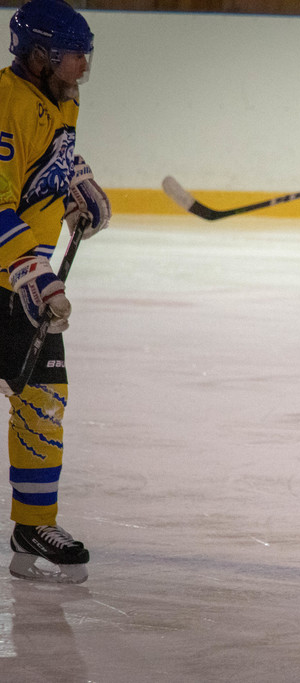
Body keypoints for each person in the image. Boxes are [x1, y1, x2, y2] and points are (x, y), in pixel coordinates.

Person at [0, 0, 110, 584]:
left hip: (22, 283)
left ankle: (33, 523)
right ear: (40, 55)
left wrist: (74, 187)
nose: (83, 66)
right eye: (73, 56)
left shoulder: (60, 97)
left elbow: (47, 159)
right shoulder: (5, 104)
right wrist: (30, 266)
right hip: (15, 274)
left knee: (43, 402)